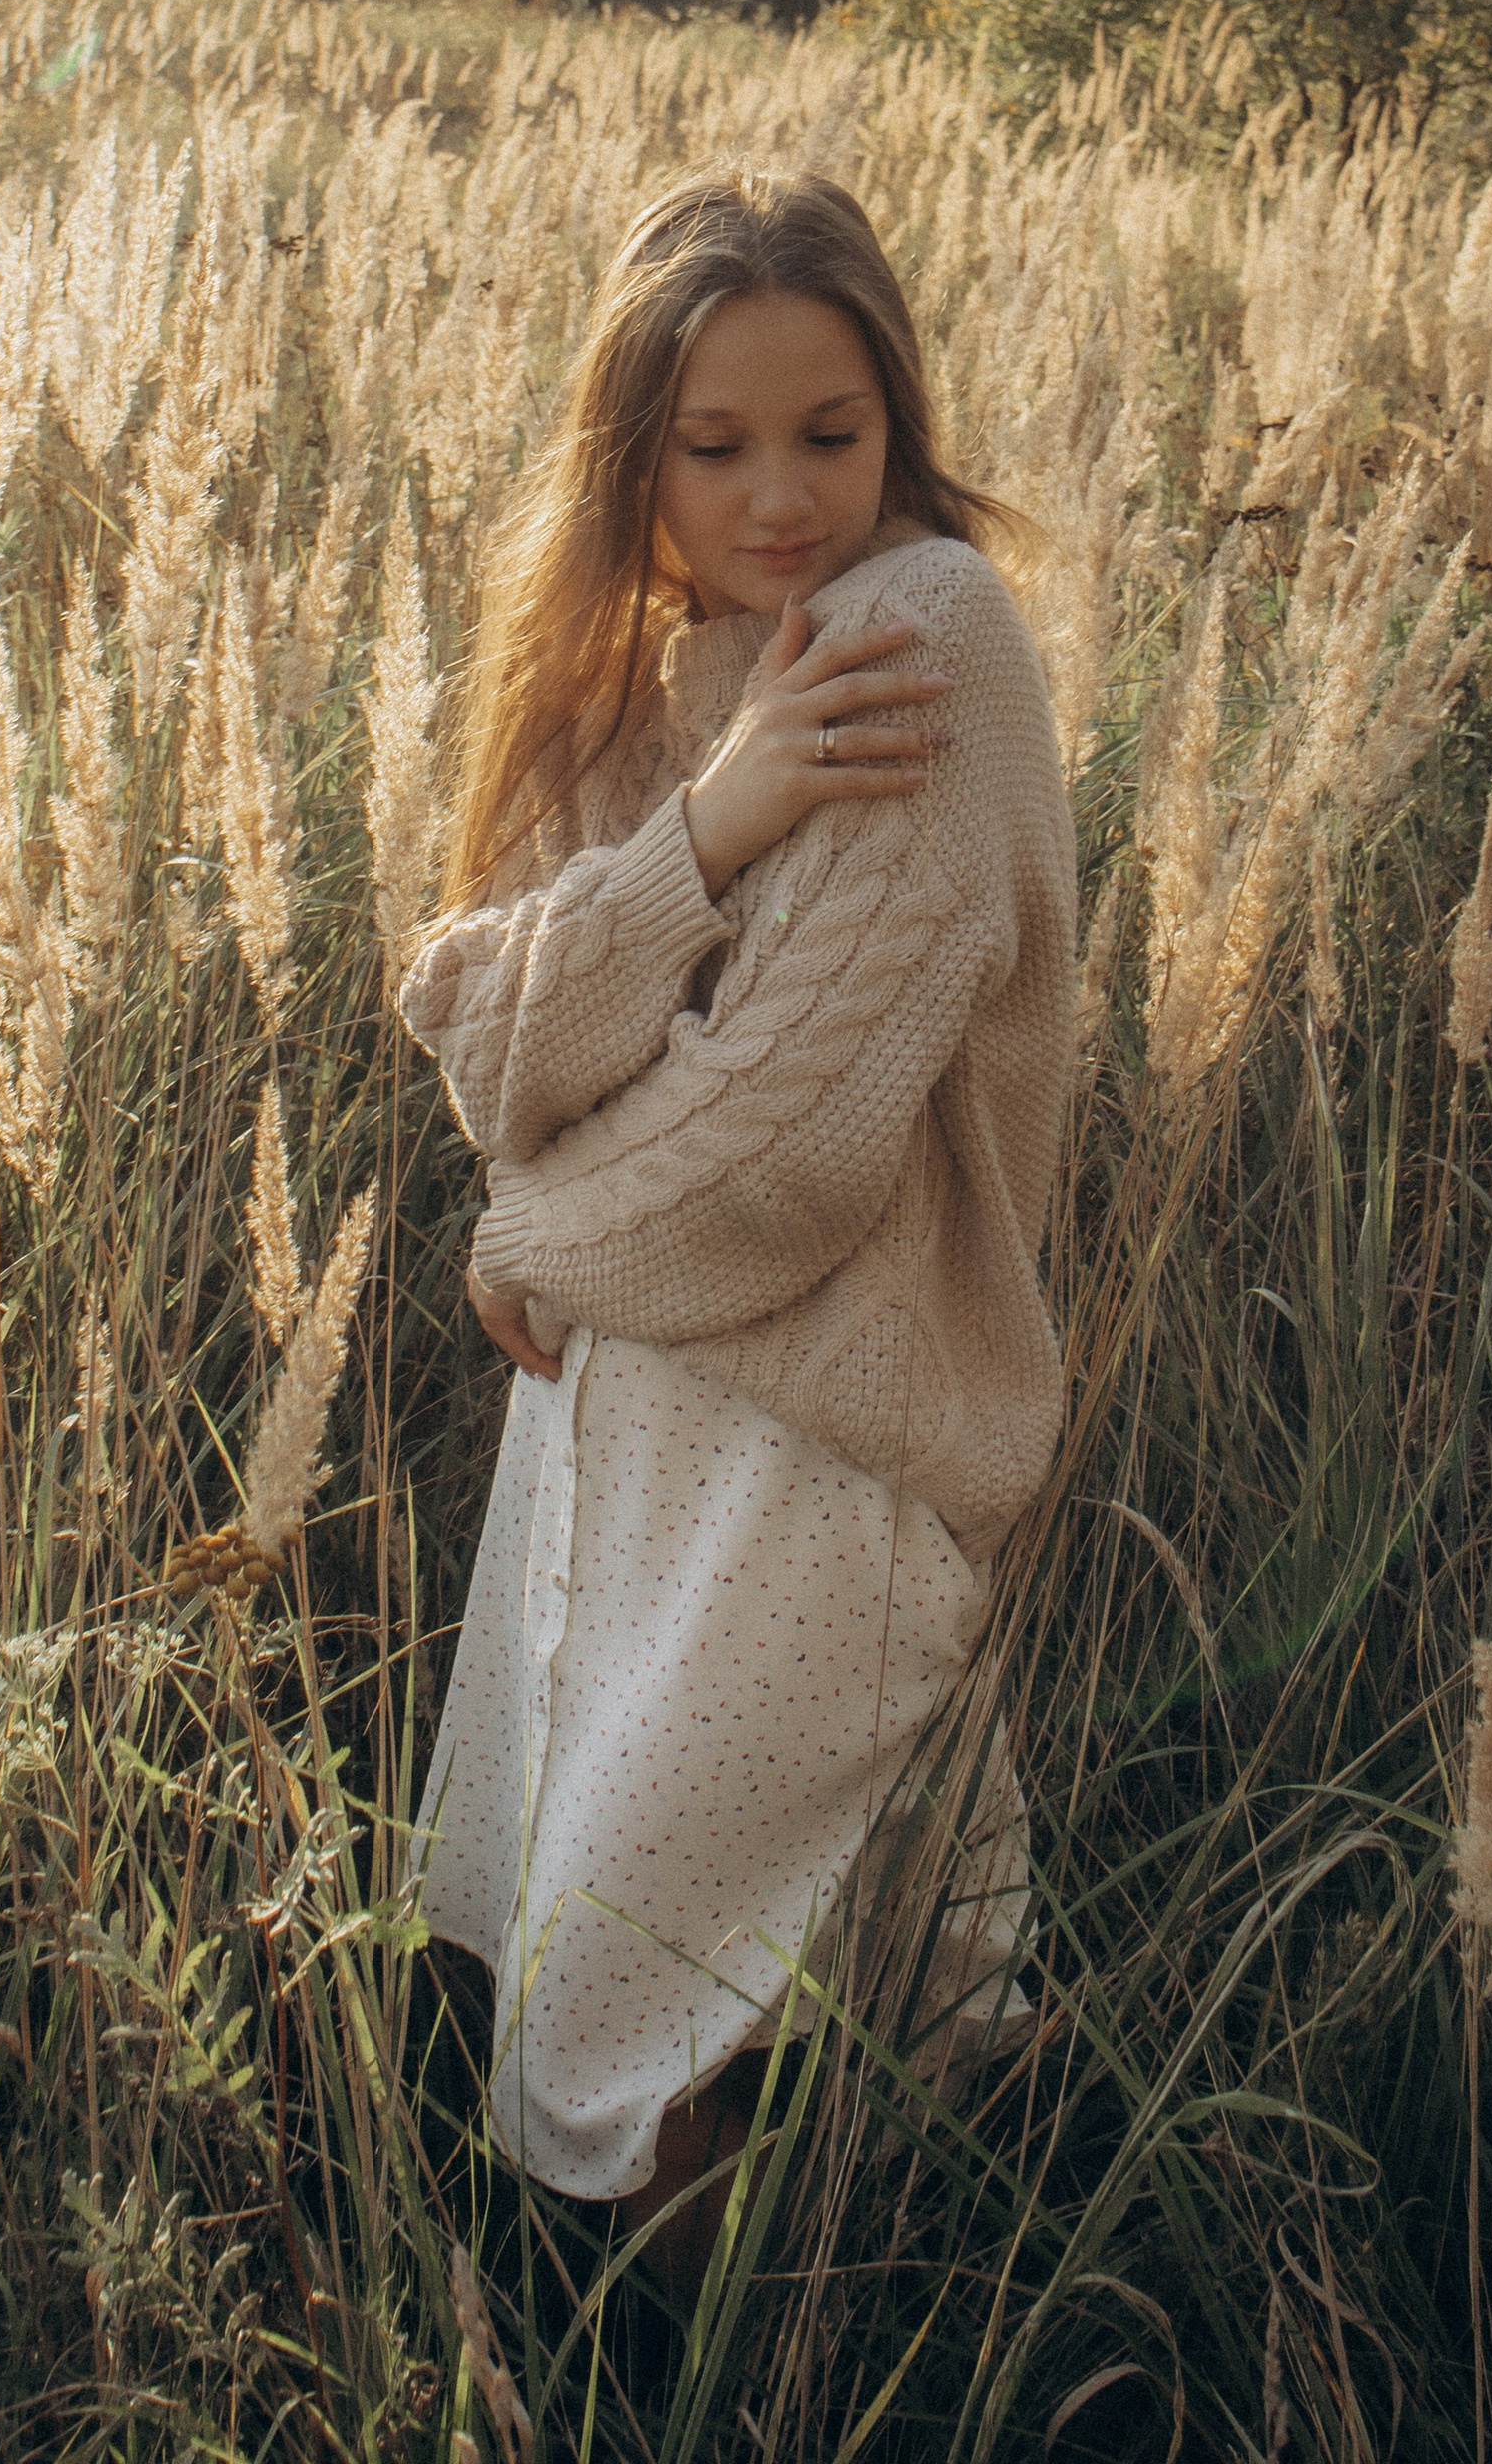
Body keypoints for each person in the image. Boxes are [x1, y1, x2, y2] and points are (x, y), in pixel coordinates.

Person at [398, 166, 1076, 2276]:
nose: (779, 498)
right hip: (615, 1426)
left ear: (897, 428)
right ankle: (882, 2324)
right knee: (709, 1965)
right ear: (633, 457)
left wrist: (526, 1247)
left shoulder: (922, 640)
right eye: (712, 447)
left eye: (829, 433)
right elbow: (487, 1039)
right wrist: (711, 824)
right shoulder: (636, 693)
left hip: (819, 1431)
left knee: (629, 1992)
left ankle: (720, 2381)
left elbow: (785, 1151)